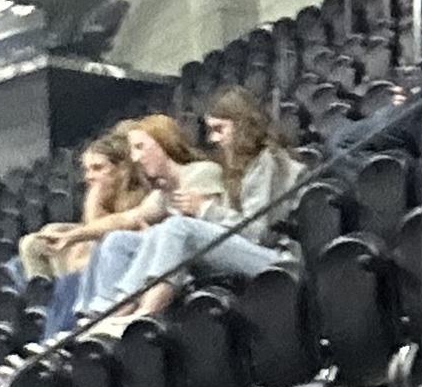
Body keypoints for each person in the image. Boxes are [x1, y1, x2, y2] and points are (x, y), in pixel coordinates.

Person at [123, 88, 305, 318]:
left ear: (243, 125)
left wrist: (204, 209)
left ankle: (146, 313)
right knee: (160, 232)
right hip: (255, 254)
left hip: (280, 261)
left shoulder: (270, 162)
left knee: (178, 228)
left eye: (219, 129)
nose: (213, 139)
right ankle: (117, 311)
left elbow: (259, 233)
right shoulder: (238, 169)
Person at [71, 112, 221, 323]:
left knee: (171, 229)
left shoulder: (202, 171)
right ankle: (100, 312)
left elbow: (206, 229)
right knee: (117, 239)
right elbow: (128, 218)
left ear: (162, 144)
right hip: (175, 250)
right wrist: (74, 236)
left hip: (206, 254)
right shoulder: (162, 191)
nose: (134, 158)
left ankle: (135, 316)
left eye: (140, 147)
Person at [20, 132, 142, 337]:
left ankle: (58, 335)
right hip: (85, 268)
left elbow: (93, 247)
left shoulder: (136, 199)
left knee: (72, 279)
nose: (89, 177)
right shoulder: (102, 197)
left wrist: (93, 202)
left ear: (122, 169)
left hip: (122, 271)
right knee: (36, 242)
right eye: (86, 170)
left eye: (98, 168)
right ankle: (43, 305)